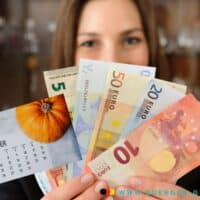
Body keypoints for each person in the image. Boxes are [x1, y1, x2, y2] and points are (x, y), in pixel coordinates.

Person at [0, 0, 199, 200]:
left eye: (131, 40)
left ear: (151, 48)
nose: (112, 60)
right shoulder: (20, 145)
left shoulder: (190, 143)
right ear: (69, 53)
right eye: (90, 42)